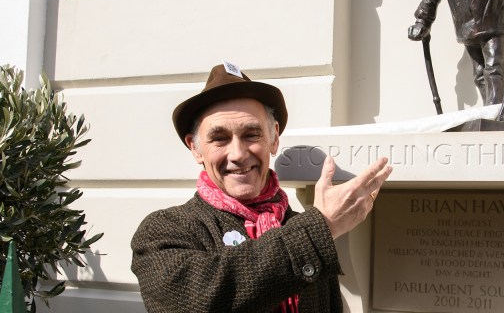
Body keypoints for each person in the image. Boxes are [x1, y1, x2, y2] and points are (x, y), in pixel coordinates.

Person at [131, 62, 393, 312]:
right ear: (195, 148)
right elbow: (201, 301)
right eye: (219, 138)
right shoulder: (164, 230)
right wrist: (321, 226)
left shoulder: (302, 227)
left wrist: (319, 228)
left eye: (251, 134)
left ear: (274, 138)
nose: (238, 154)